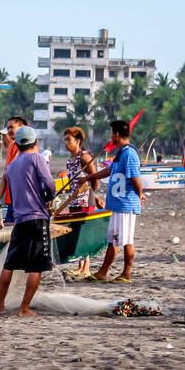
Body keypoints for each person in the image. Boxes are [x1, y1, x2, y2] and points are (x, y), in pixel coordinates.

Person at [0, 126, 57, 316]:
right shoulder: (37, 158)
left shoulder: (12, 165)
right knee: (36, 266)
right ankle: (24, 308)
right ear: (35, 142)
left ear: (17, 144)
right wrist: (48, 197)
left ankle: (0, 307)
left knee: (9, 265)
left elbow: (12, 193)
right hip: (37, 218)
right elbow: (49, 184)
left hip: (19, 219)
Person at [75, 119, 142, 283]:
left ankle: (126, 274)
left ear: (117, 134)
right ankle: (103, 272)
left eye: (112, 133)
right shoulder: (121, 152)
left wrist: (139, 196)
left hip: (126, 204)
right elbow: (109, 170)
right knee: (114, 239)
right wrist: (89, 177)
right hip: (118, 204)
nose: (110, 137)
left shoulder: (129, 153)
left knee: (125, 240)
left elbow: (135, 179)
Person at [60, 127, 98, 278]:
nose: (66, 143)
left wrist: (91, 194)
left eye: (69, 140)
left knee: (84, 233)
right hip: (73, 199)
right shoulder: (70, 160)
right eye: (65, 140)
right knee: (76, 232)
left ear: (77, 141)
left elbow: (95, 177)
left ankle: (86, 267)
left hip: (84, 199)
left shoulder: (85, 157)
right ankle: (80, 266)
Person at [0, 116, 29, 222]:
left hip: (22, 200)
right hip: (12, 200)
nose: (9, 131)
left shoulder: (24, 147)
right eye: (7, 128)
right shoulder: (11, 147)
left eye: (11, 128)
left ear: (21, 128)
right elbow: (7, 175)